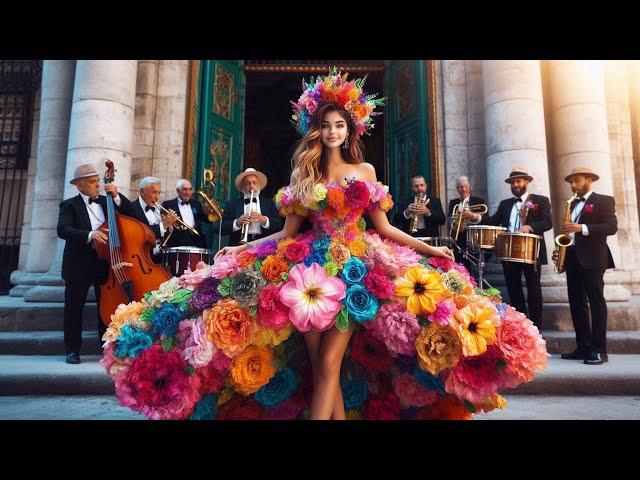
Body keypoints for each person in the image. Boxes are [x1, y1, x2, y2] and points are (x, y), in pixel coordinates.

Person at [102, 69, 548, 421]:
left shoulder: (367, 172)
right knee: (321, 367)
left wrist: (430, 250)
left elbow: (385, 228)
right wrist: (240, 250)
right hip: (307, 273)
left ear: (349, 129)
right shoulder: (304, 175)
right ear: (316, 130)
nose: (332, 131)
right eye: (325, 125)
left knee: (333, 362)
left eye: (339, 124)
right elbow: (287, 233)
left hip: (356, 273)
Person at [57, 163, 126, 364]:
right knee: (74, 307)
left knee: (105, 308)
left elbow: (130, 215)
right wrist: (89, 234)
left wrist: (117, 195)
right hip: (78, 264)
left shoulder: (107, 202)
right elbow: (63, 229)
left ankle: (105, 349)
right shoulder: (69, 205)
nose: (98, 186)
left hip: (104, 262)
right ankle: (72, 350)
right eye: (93, 182)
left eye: (98, 181)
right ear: (80, 186)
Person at [559, 167, 617, 365]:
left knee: (596, 302)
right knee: (577, 303)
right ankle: (583, 347)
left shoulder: (604, 200)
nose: (573, 185)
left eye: (577, 181)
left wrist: (581, 228)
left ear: (589, 180)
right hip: (573, 257)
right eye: (571, 182)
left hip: (593, 258)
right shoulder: (572, 203)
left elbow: (611, 227)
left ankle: (600, 350)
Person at [483, 167, 552, 331]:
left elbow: (548, 223)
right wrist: (476, 217)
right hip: (509, 253)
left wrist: (530, 226)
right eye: (512, 182)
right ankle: (521, 327)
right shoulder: (505, 204)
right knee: (514, 290)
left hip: (531, 252)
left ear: (526, 182)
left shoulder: (540, 201)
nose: (515, 185)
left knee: (534, 289)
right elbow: (493, 221)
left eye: (518, 181)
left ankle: (536, 329)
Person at [221, 168, 283, 246]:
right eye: (247, 183)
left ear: (259, 185)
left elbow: (279, 225)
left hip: (263, 245)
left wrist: (264, 219)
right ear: (242, 186)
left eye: (254, 183)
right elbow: (222, 229)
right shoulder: (231, 204)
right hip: (238, 246)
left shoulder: (269, 203)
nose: (251, 186)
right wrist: (237, 222)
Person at [122, 176, 179, 262]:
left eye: (159, 193)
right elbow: (138, 234)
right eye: (154, 192)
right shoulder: (131, 209)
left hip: (160, 259)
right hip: (142, 259)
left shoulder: (158, 209)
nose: (157, 197)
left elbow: (164, 236)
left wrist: (171, 226)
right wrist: (162, 225)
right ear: (142, 192)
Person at [447, 176, 486, 280]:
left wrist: (472, 215)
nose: (463, 189)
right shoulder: (453, 203)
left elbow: (486, 219)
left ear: (469, 187)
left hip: (473, 240)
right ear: (457, 188)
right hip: (458, 240)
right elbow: (449, 220)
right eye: (460, 187)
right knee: (459, 271)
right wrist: (455, 219)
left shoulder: (479, 201)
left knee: (474, 272)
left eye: (465, 186)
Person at [161, 178, 213, 248]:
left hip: (196, 241)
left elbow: (205, 220)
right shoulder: (167, 205)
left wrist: (208, 213)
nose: (188, 192)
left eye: (190, 189)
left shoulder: (196, 204)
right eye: (185, 189)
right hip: (177, 242)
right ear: (178, 191)